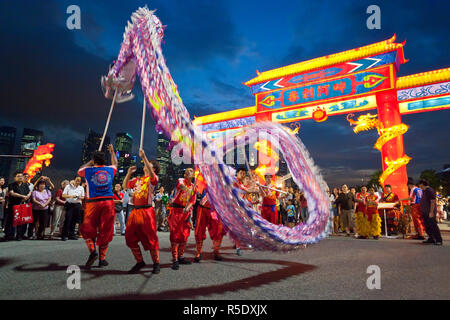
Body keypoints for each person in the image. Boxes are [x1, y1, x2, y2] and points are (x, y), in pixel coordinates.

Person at [78, 144, 118, 268]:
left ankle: (93, 251)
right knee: (105, 230)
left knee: (88, 228)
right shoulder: (110, 169)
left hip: (93, 203)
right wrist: (112, 152)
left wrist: (91, 161)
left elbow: (80, 169)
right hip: (108, 202)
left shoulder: (88, 170)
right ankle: (102, 259)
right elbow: (115, 164)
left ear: (94, 161)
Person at [123, 149, 161, 274]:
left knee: (151, 238)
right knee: (129, 238)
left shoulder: (152, 179)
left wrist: (144, 156)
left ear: (153, 169)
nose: (146, 165)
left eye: (149, 164)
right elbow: (125, 186)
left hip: (147, 211)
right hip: (135, 212)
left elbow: (151, 175)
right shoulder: (138, 180)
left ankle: (156, 263)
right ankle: (140, 262)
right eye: (146, 163)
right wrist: (128, 173)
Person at [167, 168, 196, 270]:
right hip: (176, 211)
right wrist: (189, 190)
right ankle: (174, 259)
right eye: (187, 172)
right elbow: (181, 186)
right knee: (175, 235)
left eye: (191, 172)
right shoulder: (181, 181)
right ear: (184, 175)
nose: (189, 173)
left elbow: (192, 201)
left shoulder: (194, 187)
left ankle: (180, 256)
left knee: (184, 235)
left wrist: (187, 208)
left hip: (185, 212)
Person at [194, 187, 227, 262]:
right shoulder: (203, 180)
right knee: (199, 231)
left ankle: (216, 251)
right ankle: (198, 252)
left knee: (217, 231)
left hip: (215, 210)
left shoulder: (221, 182)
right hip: (203, 208)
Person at [3, 171, 31, 241]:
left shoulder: (25, 185)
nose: (20, 177)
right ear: (15, 177)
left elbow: (29, 192)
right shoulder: (11, 185)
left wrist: (27, 196)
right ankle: (8, 235)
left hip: (22, 205)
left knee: (21, 221)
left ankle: (19, 235)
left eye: (21, 176)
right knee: (10, 221)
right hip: (13, 205)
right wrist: (23, 196)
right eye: (18, 176)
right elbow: (12, 193)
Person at [418, 180, 443, 245]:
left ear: (422, 184)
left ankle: (439, 240)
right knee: (427, 226)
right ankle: (431, 238)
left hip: (429, 212)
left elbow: (433, 201)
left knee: (433, 226)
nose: (419, 186)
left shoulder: (429, 190)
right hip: (425, 212)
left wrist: (431, 212)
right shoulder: (425, 191)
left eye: (419, 184)